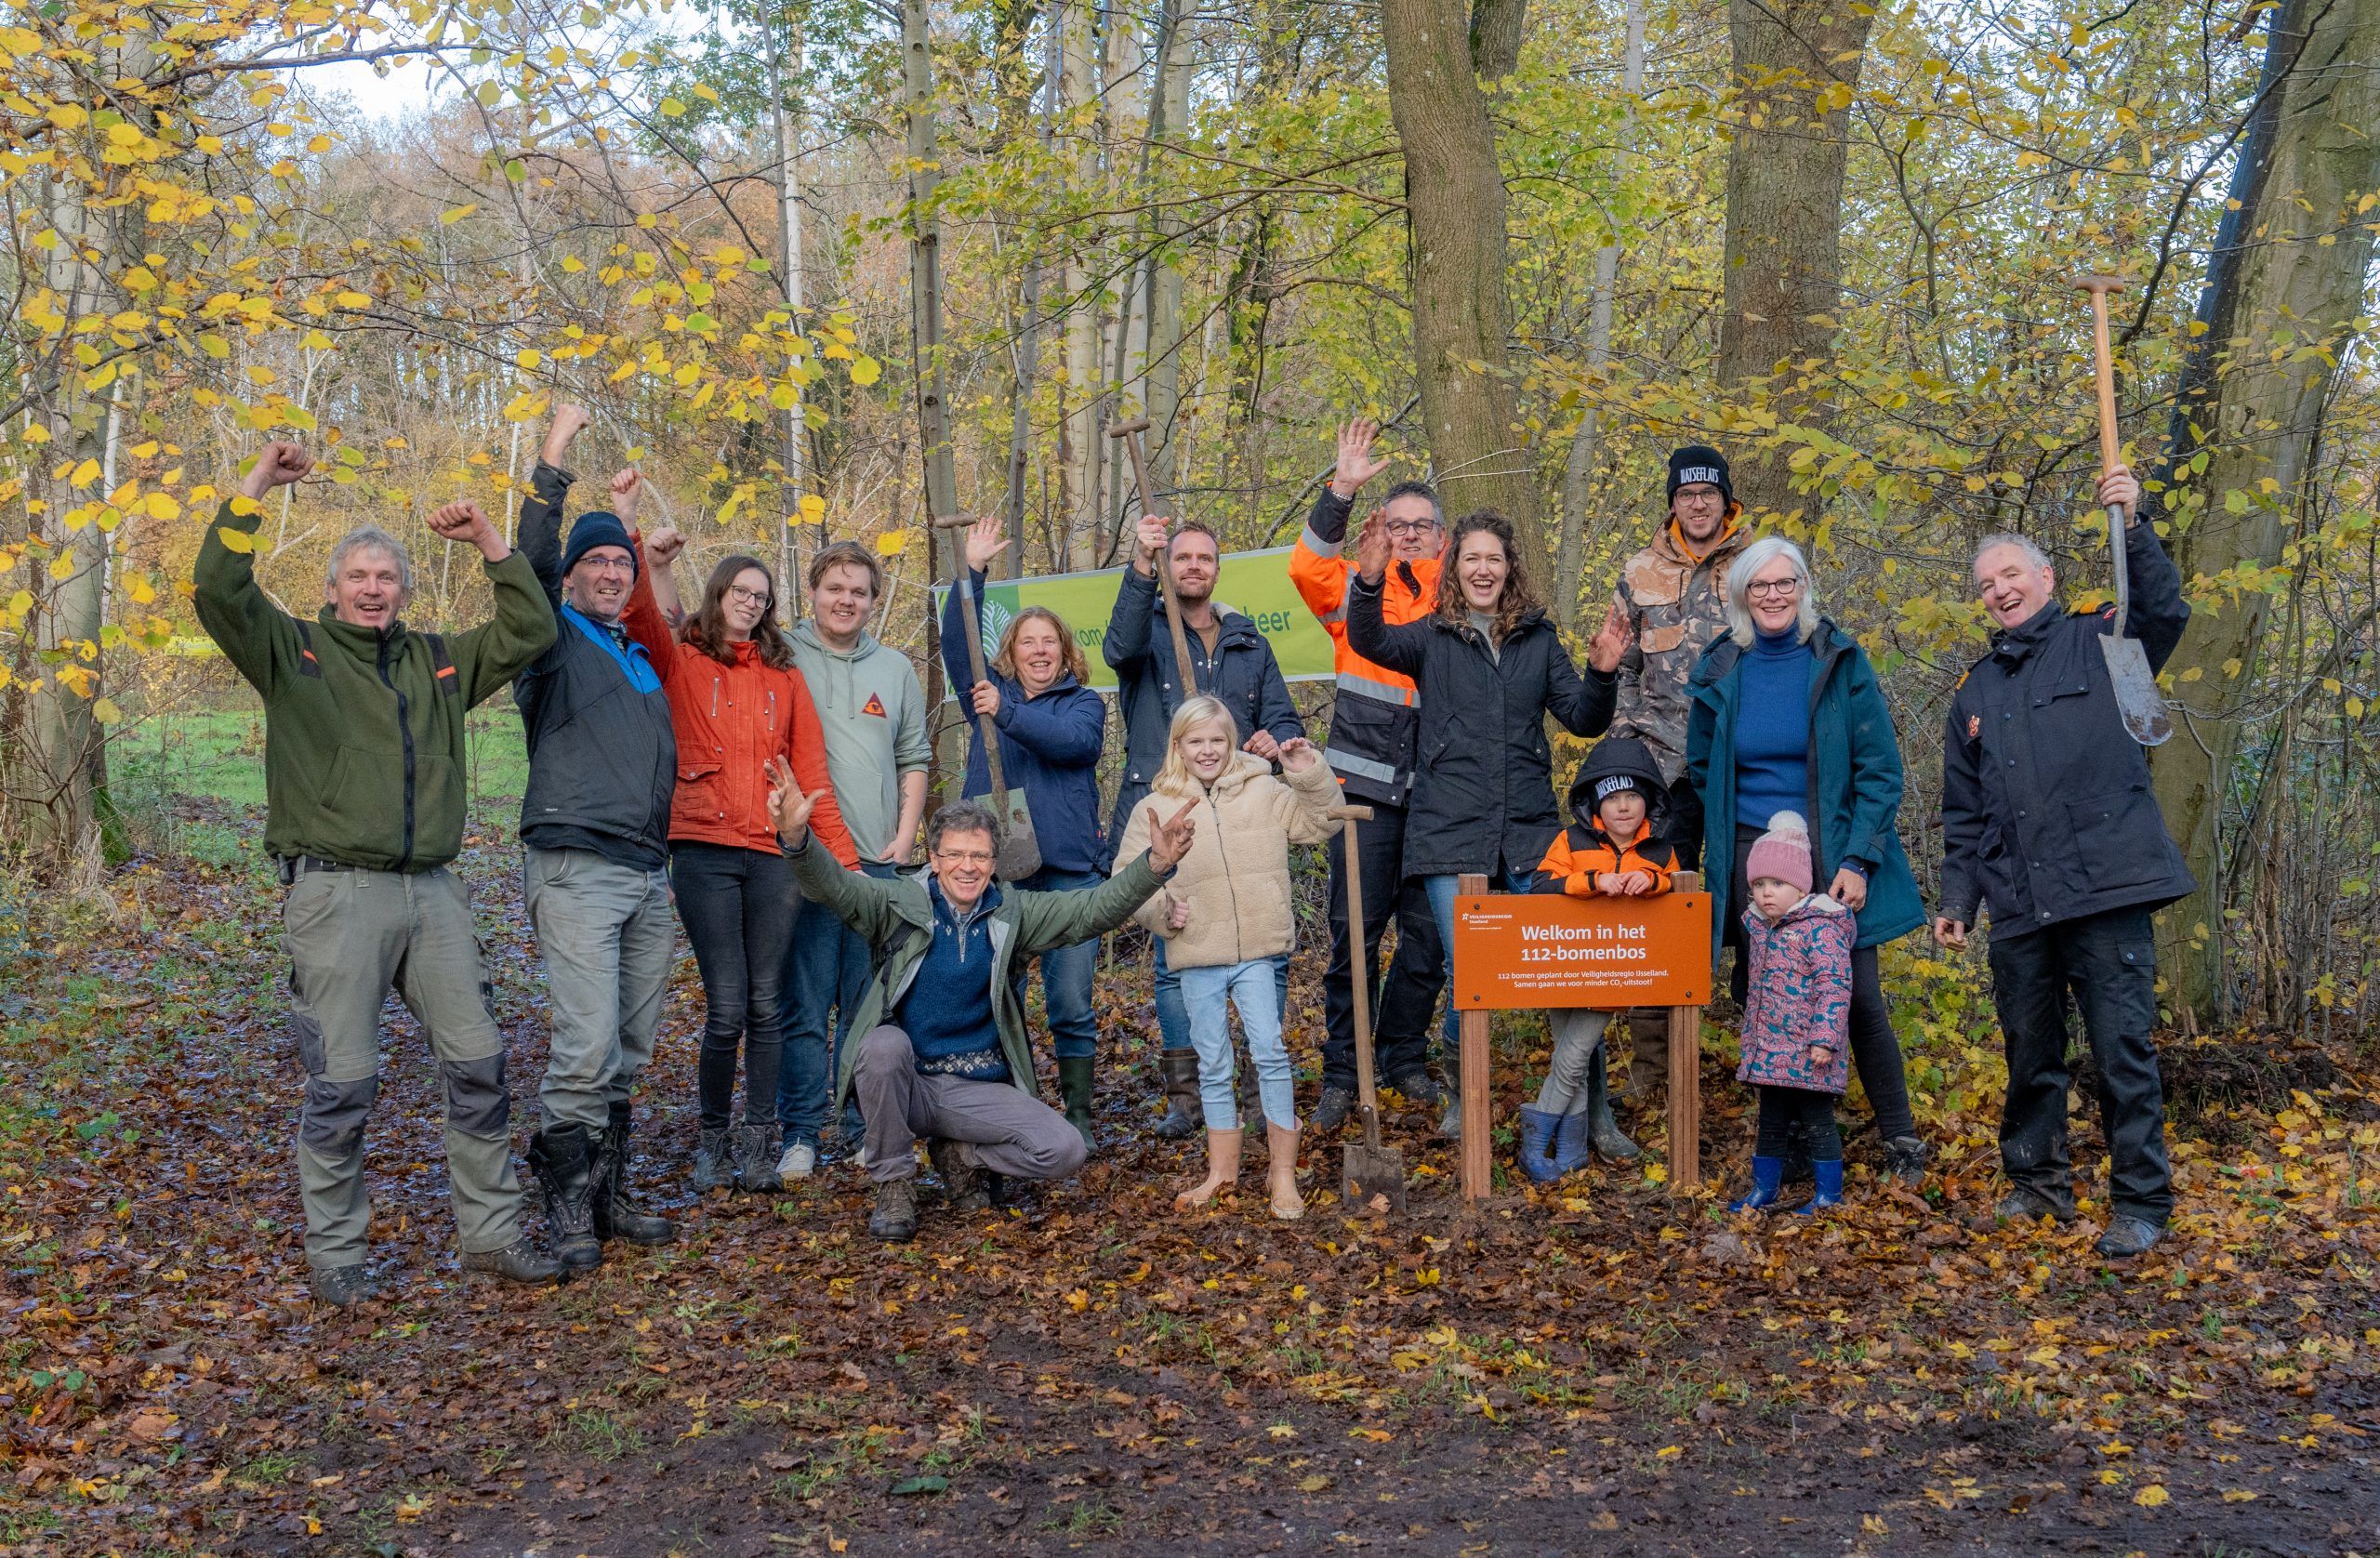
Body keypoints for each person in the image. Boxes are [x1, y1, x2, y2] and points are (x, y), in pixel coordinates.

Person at [192, 441, 562, 1304]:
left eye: (385, 577)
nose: (371, 589)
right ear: (331, 588)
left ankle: (492, 1236)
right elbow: (217, 588)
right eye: (356, 576)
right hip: (336, 894)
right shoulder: (293, 654)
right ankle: (337, 1257)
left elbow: (531, 629)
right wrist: (255, 487)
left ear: (403, 588)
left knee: (478, 1065)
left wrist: (489, 545)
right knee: (344, 1080)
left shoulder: (436, 661)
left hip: (434, 893)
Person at [1934, 465, 2189, 1260]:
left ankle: (2141, 1203)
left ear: (2045, 576)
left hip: (2106, 890)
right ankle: (2038, 1186)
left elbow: (2164, 610)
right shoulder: (1974, 692)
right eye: (1986, 584)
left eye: (2011, 574)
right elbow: (1964, 813)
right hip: (2019, 903)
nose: (1999, 591)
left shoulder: (2105, 637)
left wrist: (2134, 522)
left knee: (2121, 1054)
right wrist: (1957, 898)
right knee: (2030, 1055)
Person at [764, 773, 1198, 1243]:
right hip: (908, 1083)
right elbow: (836, 888)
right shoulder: (897, 904)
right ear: (934, 859)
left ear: (994, 862)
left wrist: (1154, 864)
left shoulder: (1014, 914)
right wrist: (796, 838)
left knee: (1064, 1149)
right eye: (955, 854)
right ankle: (893, 1183)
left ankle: (961, 1156)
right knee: (881, 1045)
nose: (967, 867)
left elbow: (1091, 909)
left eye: (979, 856)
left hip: (976, 1090)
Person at [1346, 509, 1630, 1138]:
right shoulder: (1431, 635)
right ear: (1457, 567)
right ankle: (1461, 1100)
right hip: (1450, 834)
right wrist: (1367, 581)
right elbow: (1371, 642)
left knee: (1573, 966)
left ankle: (1595, 1112)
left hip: (1530, 833)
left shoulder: (1538, 640)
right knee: (1471, 974)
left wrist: (1604, 672)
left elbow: (1583, 718)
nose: (1482, 569)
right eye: (1471, 558)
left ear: (1509, 570)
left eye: (1493, 559)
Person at [1684, 535, 1929, 1185]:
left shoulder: (1840, 660)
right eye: (1759, 586)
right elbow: (1704, 769)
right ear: (1740, 596)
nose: (1773, 596)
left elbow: (1881, 771)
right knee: (1764, 998)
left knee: (1859, 997)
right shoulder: (1720, 668)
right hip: (1750, 859)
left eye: (1784, 583)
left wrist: (1858, 859)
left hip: (1832, 852)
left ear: (1803, 587)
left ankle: (1901, 1139)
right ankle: (1793, 1143)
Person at [626, 523, 858, 1195]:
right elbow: (644, 613)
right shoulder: (681, 660)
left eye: (762, 597)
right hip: (703, 850)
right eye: (741, 591)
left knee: (767, 1005)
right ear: (719, 593)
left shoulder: (784, 678)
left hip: (771, 857)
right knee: (726, 1007)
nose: (751, 603)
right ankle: (711, 1143)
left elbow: (811, 775)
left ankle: (761, 1143)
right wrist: (645, 547)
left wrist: (845, 869)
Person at [510, 407, 681, 1272]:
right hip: (577, 866)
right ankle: (565, 1210)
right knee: (584, 1043)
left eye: (621, 561)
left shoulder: (637, 654)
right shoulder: (549, 638)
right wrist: (555, 457)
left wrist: (643, 529)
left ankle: (609, 1198)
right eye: (597, 563)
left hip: (649, 875)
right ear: (574, 578)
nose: (612, 573)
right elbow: (530, 566)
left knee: (628, 1045)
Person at [1104, 512, 1303, 1138]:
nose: (1194, 566)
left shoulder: (1248, 641)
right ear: (1168, 567)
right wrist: (1141, 564)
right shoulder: (1148, 635)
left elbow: (1283, 718)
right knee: (1175, 955)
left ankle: (1255, 1079)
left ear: (1218, 570)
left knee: (1261, 956)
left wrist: (1280, 740)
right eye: (1181, 558)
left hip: (1245, 815)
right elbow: (1116, 649)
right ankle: (1187, 1095)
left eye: (1204, 559)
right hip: (1173, 808)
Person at [1115, 698, 1340, 1218]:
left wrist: (1307, 771)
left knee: (1269, 1049)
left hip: (1259, 949)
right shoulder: (1158, 805)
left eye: (1217, 740)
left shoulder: (1263, 789)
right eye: (1196, 742)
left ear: (1231, 742)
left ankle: (1283, 1174)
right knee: (1213, 1061)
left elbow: (1320, 822)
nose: (1208, 751)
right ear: (1179, 747)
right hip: (1198, 952)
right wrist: (1162, 909)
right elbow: (1128, 881)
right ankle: (1222, 1172)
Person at [1287, 419, 1450, 1127]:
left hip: (1441, 800)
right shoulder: (1358, 588)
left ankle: (1403, 1057)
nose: (1410, 534)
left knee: (1430, 939)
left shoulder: (1465, 597)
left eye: (1423, 525)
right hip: (1364, 796)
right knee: (1355, 934)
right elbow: (1305, 568)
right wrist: (1343, 490)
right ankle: (1343, 1072)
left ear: (1444, 539)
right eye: (1400, 523)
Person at [941, 517, 1110, 1151]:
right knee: (997, 998)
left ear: (1066, 655)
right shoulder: (985, 698)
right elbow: (959, 645)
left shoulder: (1083, 706)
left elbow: (1071, 746)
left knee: (1069, 1002)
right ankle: (1005, 1111)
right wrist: (973, 572)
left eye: (1051, 644)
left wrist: (1006, 711)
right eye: (1028, 643)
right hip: (1001, 876)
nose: (1040, 651)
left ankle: (1078, 1117)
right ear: (1009, 653)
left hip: (1068, 875)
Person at [777, 541, 931, 1175]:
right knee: (807, 1004)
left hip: (877, 864)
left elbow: (914, 756)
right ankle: (801, 1133)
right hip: (806, 862)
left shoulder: (894, 668)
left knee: (868, 1006)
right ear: (813, 590)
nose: (846, 601)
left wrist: (906, 833)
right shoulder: (781, 653)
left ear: (874, 600)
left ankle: (862, 1127)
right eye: (835, 588)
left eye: (859, 592)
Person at [1607, 445, 1754, 1100]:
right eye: (1686, 493)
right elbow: (1622, 670)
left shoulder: (1759, 567)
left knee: (1756, 913)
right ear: (1671, 501)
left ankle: (1765, 1060)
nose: (1697, 503)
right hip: (1661, 773)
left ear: (1727, 500)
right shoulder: (1638, 571)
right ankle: (1654, 1074)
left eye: (1709, 492)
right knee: (1655, 911)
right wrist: (1622, 758)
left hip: (1740, 773)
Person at [1515, 737, 1673, 1181]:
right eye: (1612, 798)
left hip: (1611, 973)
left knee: (1572, 1057)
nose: (1623, 807)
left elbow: (1678, 892)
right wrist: (1594, 881)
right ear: (1595, 806)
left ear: (1648, 803)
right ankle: (1569, 1154)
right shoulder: (1570, 839)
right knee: (1575, 1063)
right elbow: (1542, 886)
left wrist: (1651, 881)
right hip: (1561, 963)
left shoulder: (1660, 850)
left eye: (1632, 797)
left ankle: (1534, 1147)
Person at [1727, 812, 1854, 1214]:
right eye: (1760, 884)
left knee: (1818, 1122)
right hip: (1771, 1050)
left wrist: (1825, 1039)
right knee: (1772, 1121)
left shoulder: (1821, 928)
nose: (1767, 893)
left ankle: (1828, 1196)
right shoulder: (1762, 927)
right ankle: (1764, 1189)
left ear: (1800, 885)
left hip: (1809, 1049)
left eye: (1777, 884)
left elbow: (1834, 986)